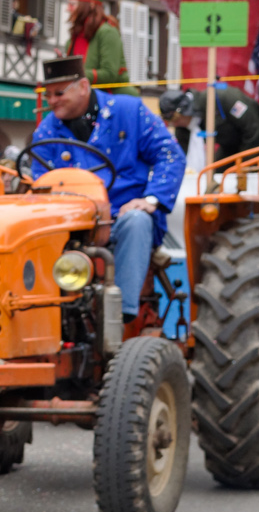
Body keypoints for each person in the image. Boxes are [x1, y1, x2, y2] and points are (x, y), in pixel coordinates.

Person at [32, 56, 185, 325]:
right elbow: (40, 182)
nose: (51, 101)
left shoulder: (129, 111)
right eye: (47, 95)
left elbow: (169, 154)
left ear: (82, 86)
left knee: (137, 222)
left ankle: (120, 313)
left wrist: (150, 199)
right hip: (71, 225)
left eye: (58, 93)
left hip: (121, 217)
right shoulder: (46, 131)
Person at [65, 0, 128, 89]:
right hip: (85, 95)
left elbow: (110, 74)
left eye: (72, 4)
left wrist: (75, 74)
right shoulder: (73, 39)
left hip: (112, 98)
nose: (67, 9)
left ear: (91, 5)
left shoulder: (108, 32)